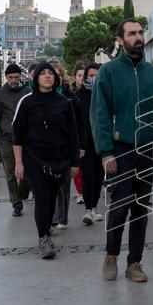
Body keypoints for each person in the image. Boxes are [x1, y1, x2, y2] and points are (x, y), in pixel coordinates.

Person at [91, 18, 153, 282]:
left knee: (141, 208)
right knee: (120, 205)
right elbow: (99, 113)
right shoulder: (109, 72)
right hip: (119, 149)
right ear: (120, 40)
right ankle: (111, 254)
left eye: (140, 33)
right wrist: (106, 152)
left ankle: (135, 262)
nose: (138, 37)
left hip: (147, 151)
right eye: (132, 33)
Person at [12, 62, 80, 259]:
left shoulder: (64, 102)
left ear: (56, 78)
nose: (48, 76)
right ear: (36, 78)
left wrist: (74, 162)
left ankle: (46, 227)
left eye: (51, 73)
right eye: (43, 73)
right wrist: (19, 163)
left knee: (51, 199)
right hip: (34, 159)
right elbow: (18, 135)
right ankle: (44, 237)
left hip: (59, 159)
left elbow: (73, 135)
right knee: (42, 198)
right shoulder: (27, 102)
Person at [48, 59, 86, 231]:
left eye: (56, 74)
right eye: (49, 73)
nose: (52, 77)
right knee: (48, 184)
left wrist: (81, 146)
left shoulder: (71, 97)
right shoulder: (38, 97)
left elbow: (80, 123)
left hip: (66, 145)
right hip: (45, 147)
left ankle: (60, 217)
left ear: (62, 76)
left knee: (63, 183)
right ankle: (51, 216)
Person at [0, 63, 31, 216]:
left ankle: (22, 192)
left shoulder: (28, 92)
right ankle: (16, 203)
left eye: (16, 77)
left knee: (27, 171)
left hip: (26, 139)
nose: (13, 80)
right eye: (10, 78)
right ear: (6, 77)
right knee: (10, 172)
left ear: (20, 76)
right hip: (7, 139)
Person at [75, 62, 104, 225]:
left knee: (99, 175)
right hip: (85, 142)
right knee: (87, 174)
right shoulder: (78, 96)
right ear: (85, 77)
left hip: (102, 141)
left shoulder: (105, 93)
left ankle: (94, 207)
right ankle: (88, 209)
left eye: (97, 75)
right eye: (91, 75)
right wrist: (79, 143)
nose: (93, 78)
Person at [71, 61, 87, 205]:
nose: (82, 78)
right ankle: (80, 192)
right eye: (79, 75)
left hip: (89, 132)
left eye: (84, 75)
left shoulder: (93, 93)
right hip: (75, 134)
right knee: (79, 165)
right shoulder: (72, 96)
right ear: (75, 77)